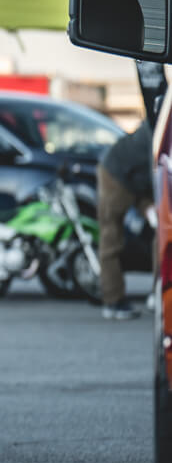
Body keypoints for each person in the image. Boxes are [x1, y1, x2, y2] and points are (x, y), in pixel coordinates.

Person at [97, 119, 152, 319]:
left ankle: (159, 293)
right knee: (111, 238)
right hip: (117, 177)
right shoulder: (160, 125)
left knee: (161, 235)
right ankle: (113, 301)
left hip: (138, 180)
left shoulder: (160, 116)